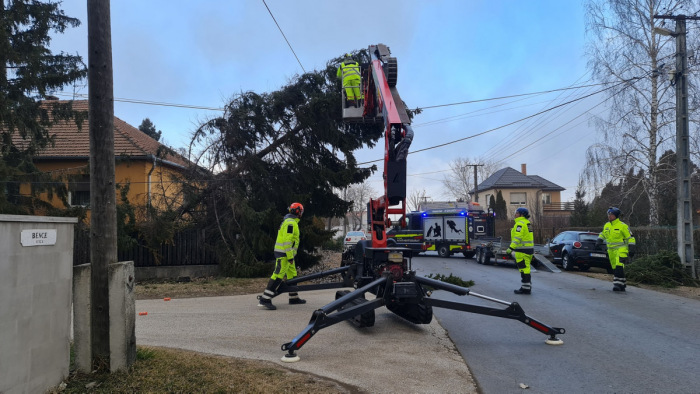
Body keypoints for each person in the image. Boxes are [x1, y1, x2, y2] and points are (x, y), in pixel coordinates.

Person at [257, 202, 306, 310]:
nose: (301, 213)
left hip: (288, 255)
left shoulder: (290, 221)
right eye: (301, 211)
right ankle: (265, 299)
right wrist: (290, 257)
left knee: (292, 274)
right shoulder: (291, 223)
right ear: (298, 212)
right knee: (278, 275)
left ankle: (294, 298)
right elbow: (287, 241)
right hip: (284, 255)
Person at [597, 207, 636, 292]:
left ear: (616, 216)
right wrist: (599, 240)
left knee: (619, 266)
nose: (609, 216)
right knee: (615, 268)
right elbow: (603, 234)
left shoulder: (623, 226)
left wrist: (631, 248)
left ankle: (617, 284)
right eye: (609, 214)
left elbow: (630, 237)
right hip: (611, 250)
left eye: (611, 214)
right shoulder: (607, 225)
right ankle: (622, 284)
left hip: (621, 249)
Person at [506, 207, 534, 294]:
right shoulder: (527, 223)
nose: (515, 214)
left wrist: (511, 248)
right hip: (528, 250)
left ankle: (525, 288)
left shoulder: (520, 224)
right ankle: (526, 286)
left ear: (521, 214)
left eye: (517, 213)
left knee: (523, 269)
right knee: (526, 269)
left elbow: (517, 238)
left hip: (522, 251)